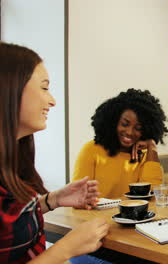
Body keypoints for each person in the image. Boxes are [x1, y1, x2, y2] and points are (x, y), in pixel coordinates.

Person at [0, 42, 109, 263]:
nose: (52, 101)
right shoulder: (92, 150)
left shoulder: (11, 165)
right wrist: (66, 248)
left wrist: (52, 200)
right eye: (44, 87)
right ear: (9, 87)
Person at [72, 89, 168, 199]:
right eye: (125, 124)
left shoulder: (145, 155)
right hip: (96, 215)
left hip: (132, 215)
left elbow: (152, 195)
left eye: (138, 128)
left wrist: (152, 147)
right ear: (113, 121)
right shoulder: (92, 150)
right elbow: (78, 196)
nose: (129, 132)